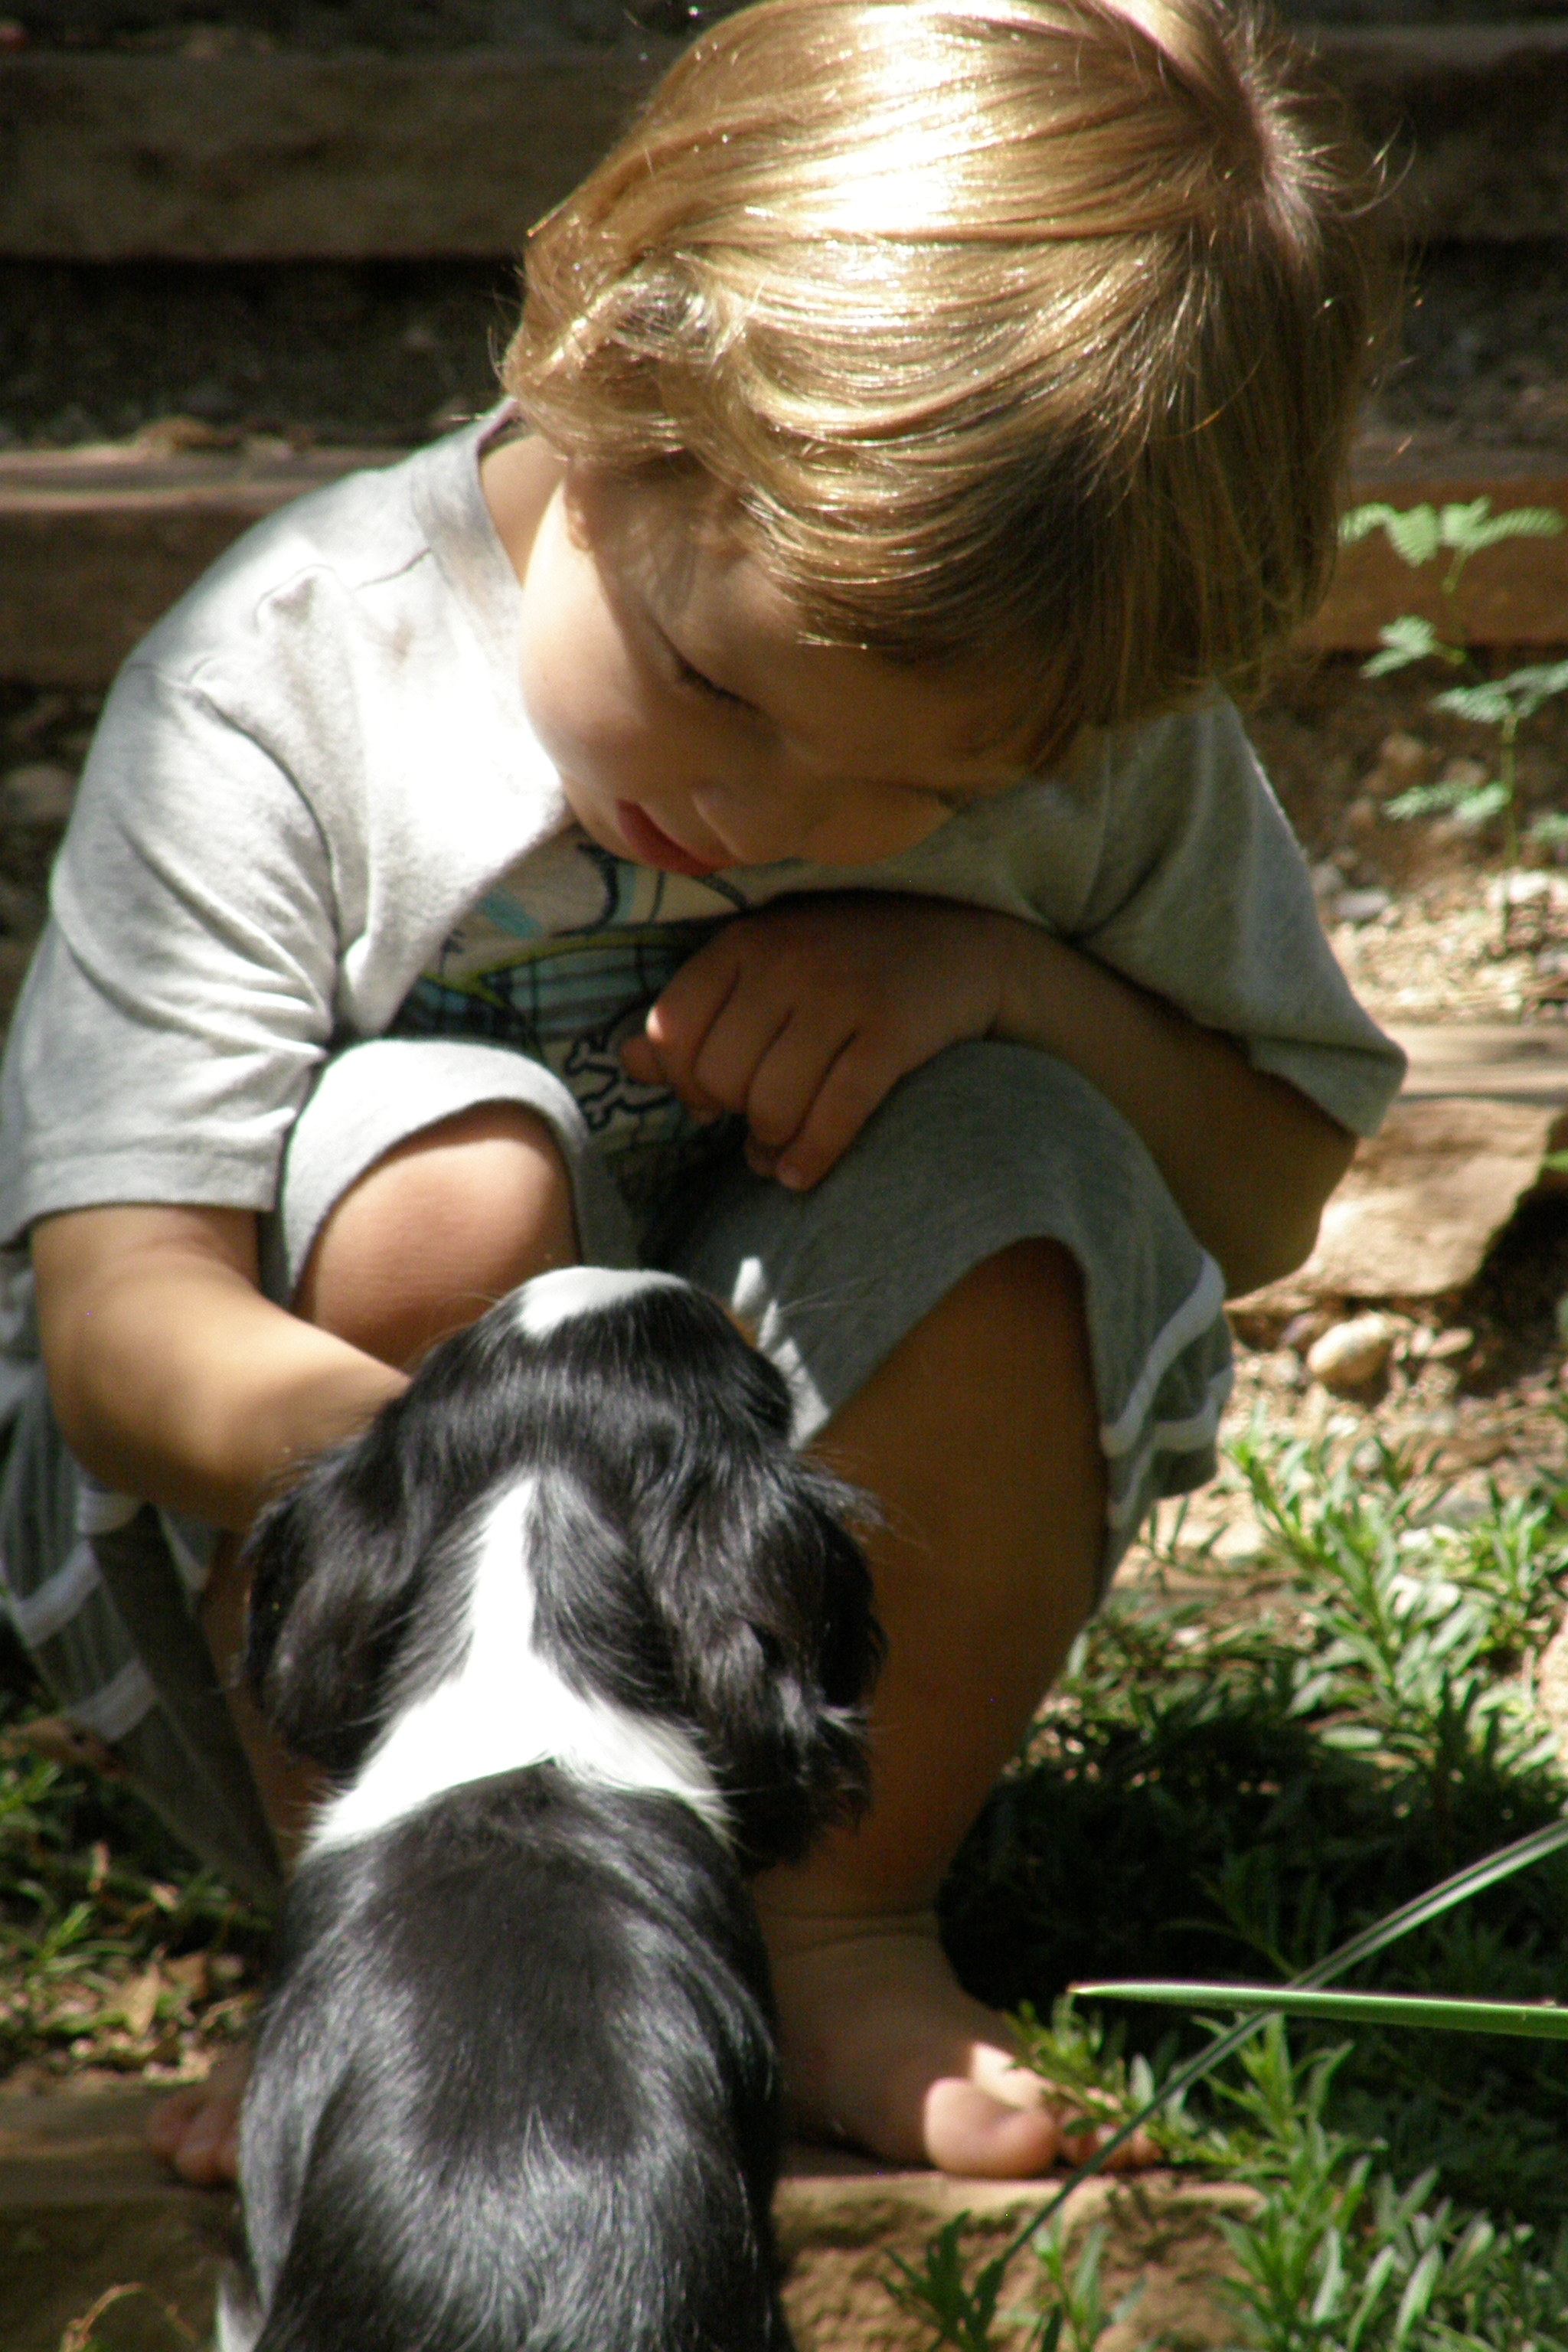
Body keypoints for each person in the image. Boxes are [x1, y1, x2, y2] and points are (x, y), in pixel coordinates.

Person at [0, 0, 1403, 2190]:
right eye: (712, 687)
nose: (758, 814)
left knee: (1032, 1145)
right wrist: (497, 1482)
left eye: (924, 790)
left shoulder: (1086, 716)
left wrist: (1007, 975)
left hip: (795, 1670)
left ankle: (831, 1920)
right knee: (437, 1163)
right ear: (601, 374)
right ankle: (397, 1944)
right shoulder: (293, 684)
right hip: (327, 1584)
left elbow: (1267, 1187)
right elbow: (114, 1336)